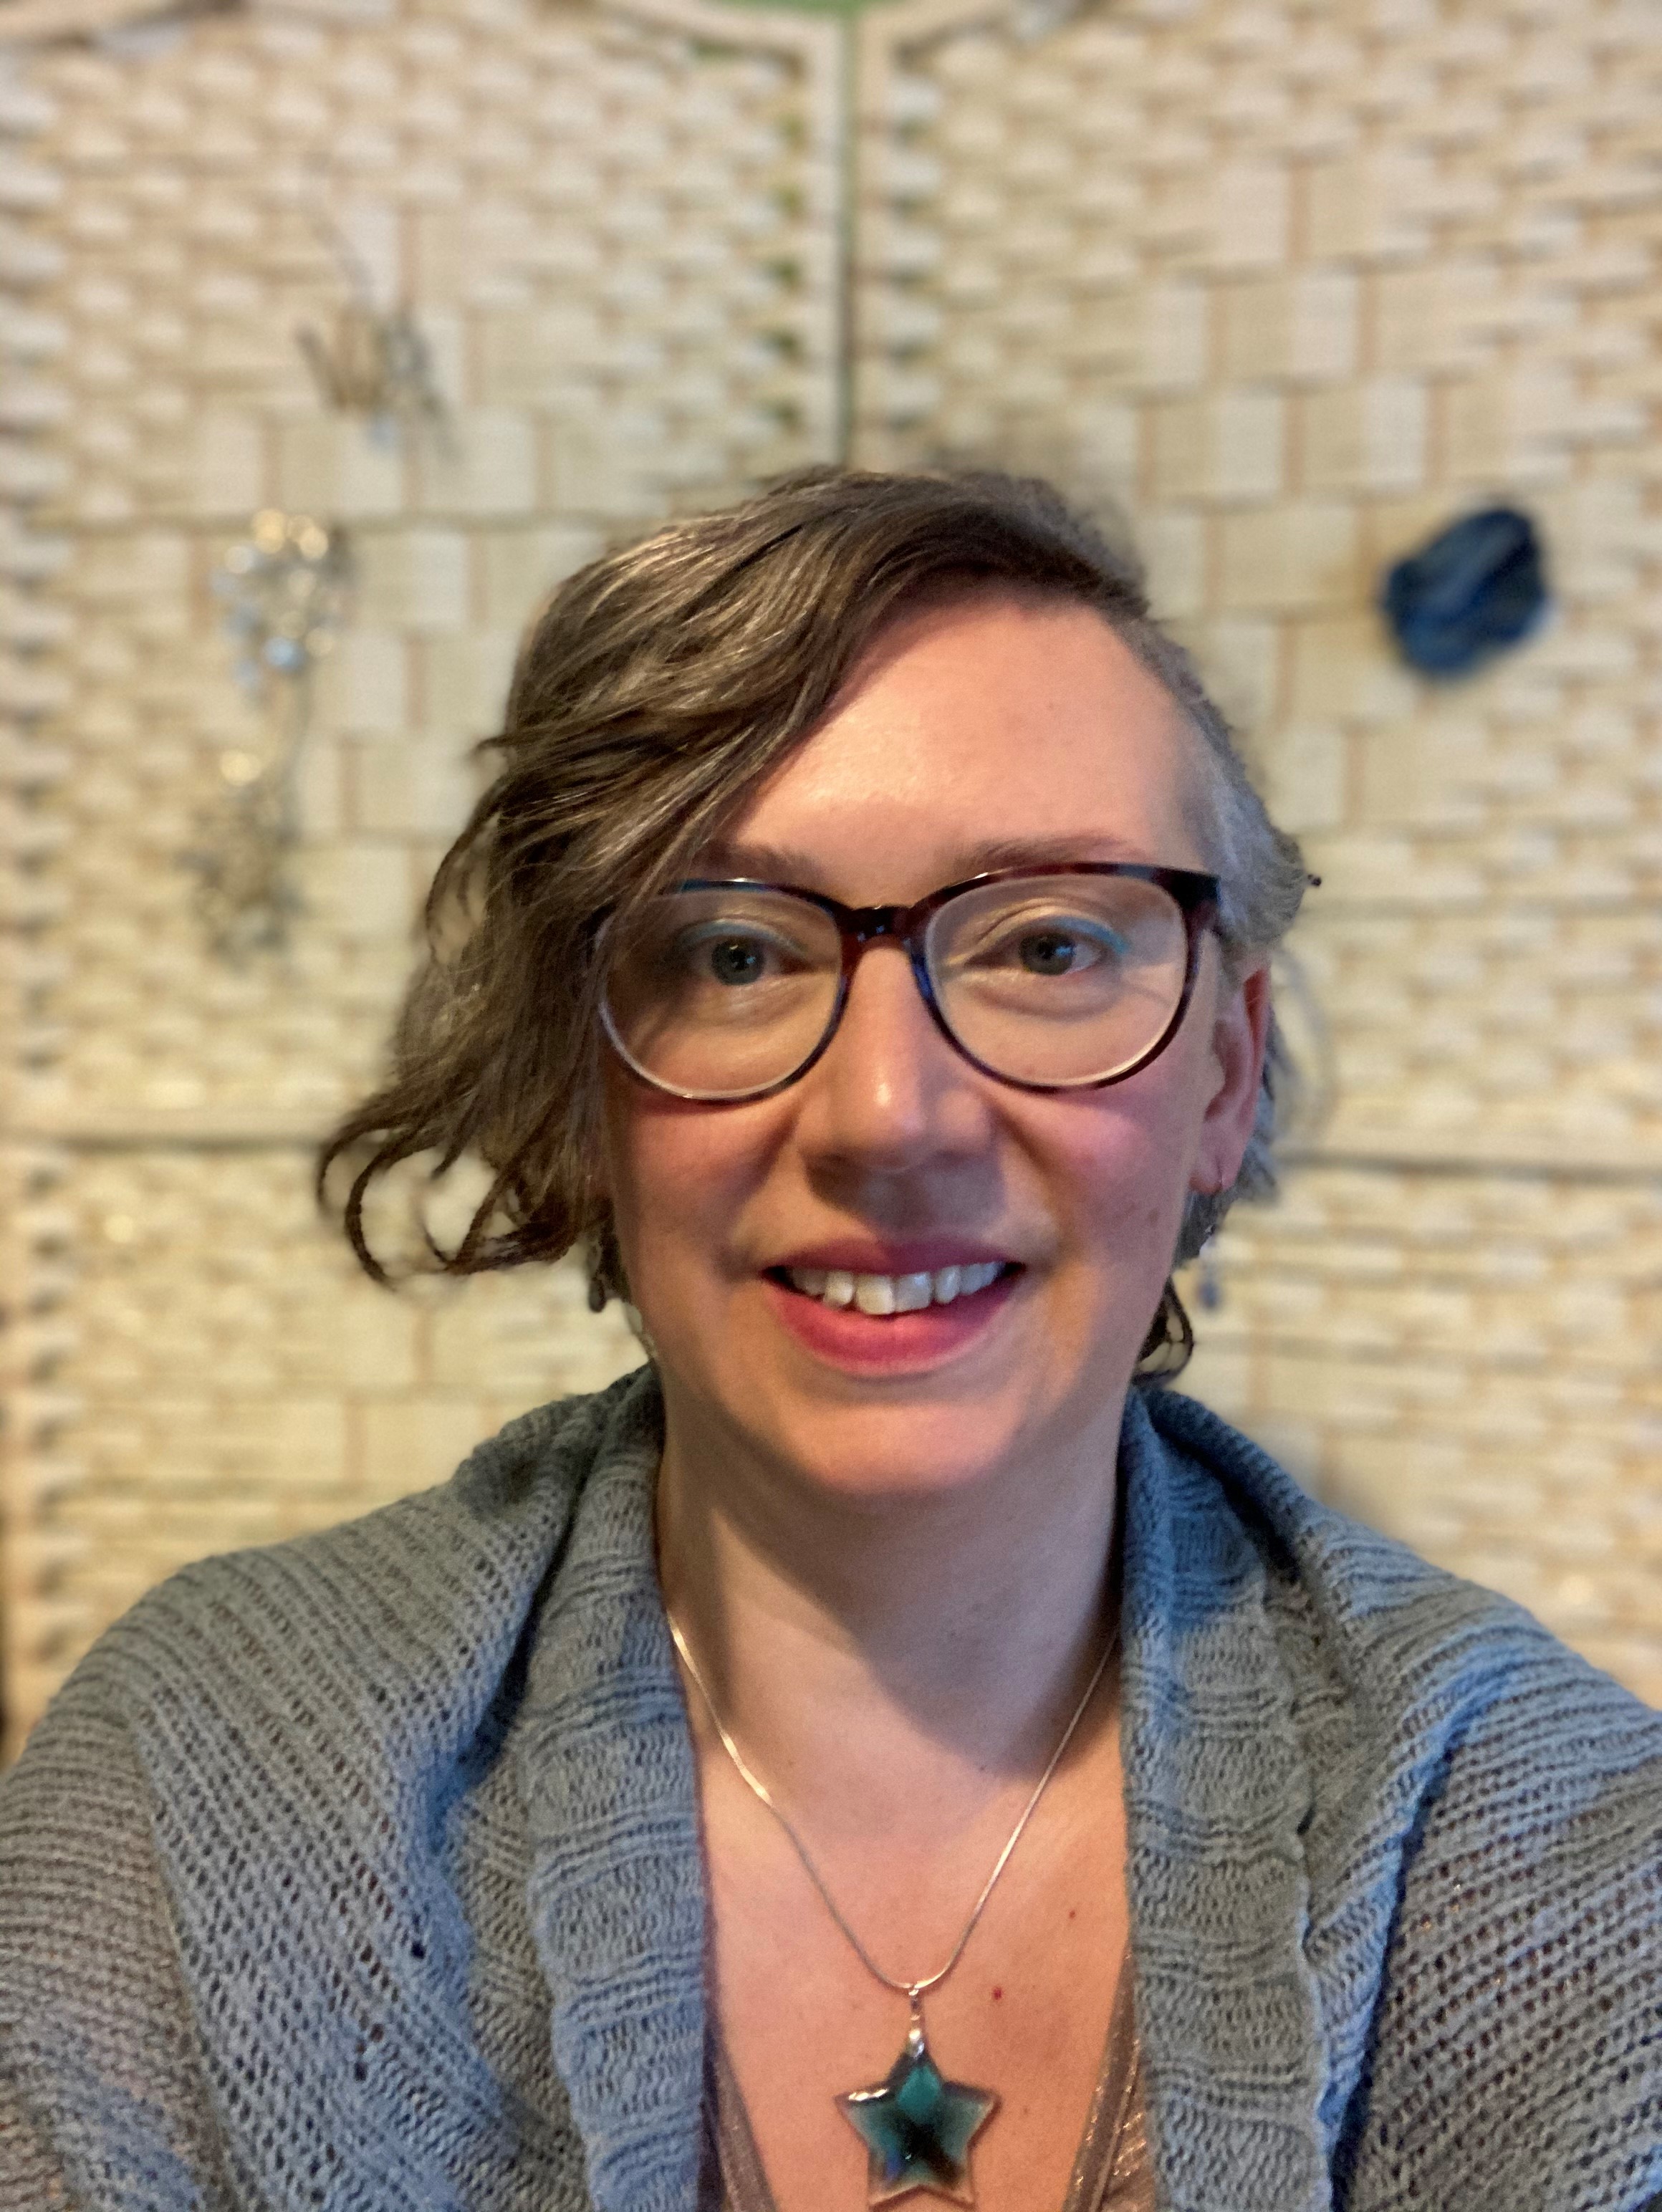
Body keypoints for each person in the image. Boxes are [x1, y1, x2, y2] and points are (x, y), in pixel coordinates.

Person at [1, 468, 1658, 2212]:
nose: (885, 1114)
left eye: (1044, 944)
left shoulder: (1568, 1874)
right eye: (733, 954)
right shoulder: (192, 1805)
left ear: (1223, 1075)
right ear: (579, 1085)